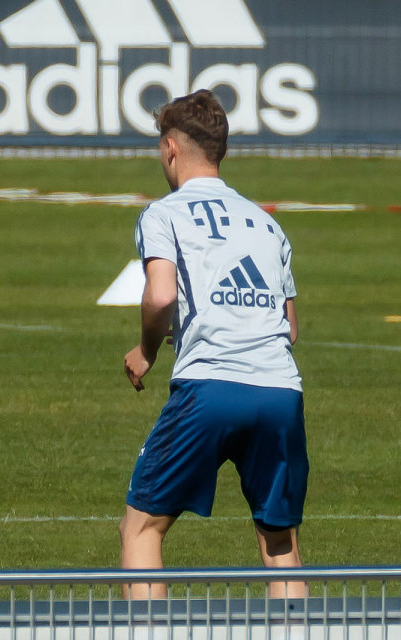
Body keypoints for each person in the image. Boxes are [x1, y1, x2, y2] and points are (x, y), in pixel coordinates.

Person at [119, 89, 307, 600]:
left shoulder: (163, 215)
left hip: (209, 388)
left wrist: (148, 351)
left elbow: (161, 296)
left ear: (171, 150)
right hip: (279, 391)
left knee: (142, 528)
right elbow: (290, 328)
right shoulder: (268, 223)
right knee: (279, 541)